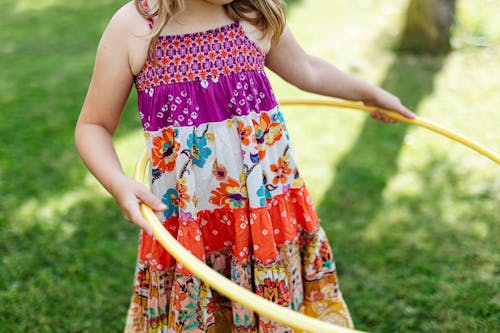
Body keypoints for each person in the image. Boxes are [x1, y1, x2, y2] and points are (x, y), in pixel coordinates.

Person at [75, 0, 415, 332]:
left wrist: (369, 93)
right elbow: (93, 126)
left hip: (264, 213)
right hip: (190, 220)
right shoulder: (136, 27)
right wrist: (117, 183)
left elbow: (308, 69)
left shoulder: (256, 12)